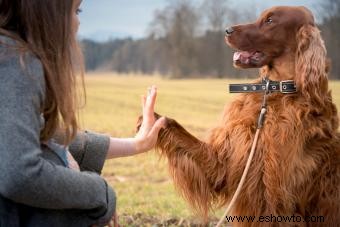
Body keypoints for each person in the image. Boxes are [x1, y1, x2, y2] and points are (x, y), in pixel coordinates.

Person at [0, 0, 165, 226]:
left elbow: (30, 133)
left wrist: (136, 144)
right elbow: (20, 175)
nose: (78, 23)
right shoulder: (16, 64)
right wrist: (99, 192)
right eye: (76, 10)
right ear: (48, 10)